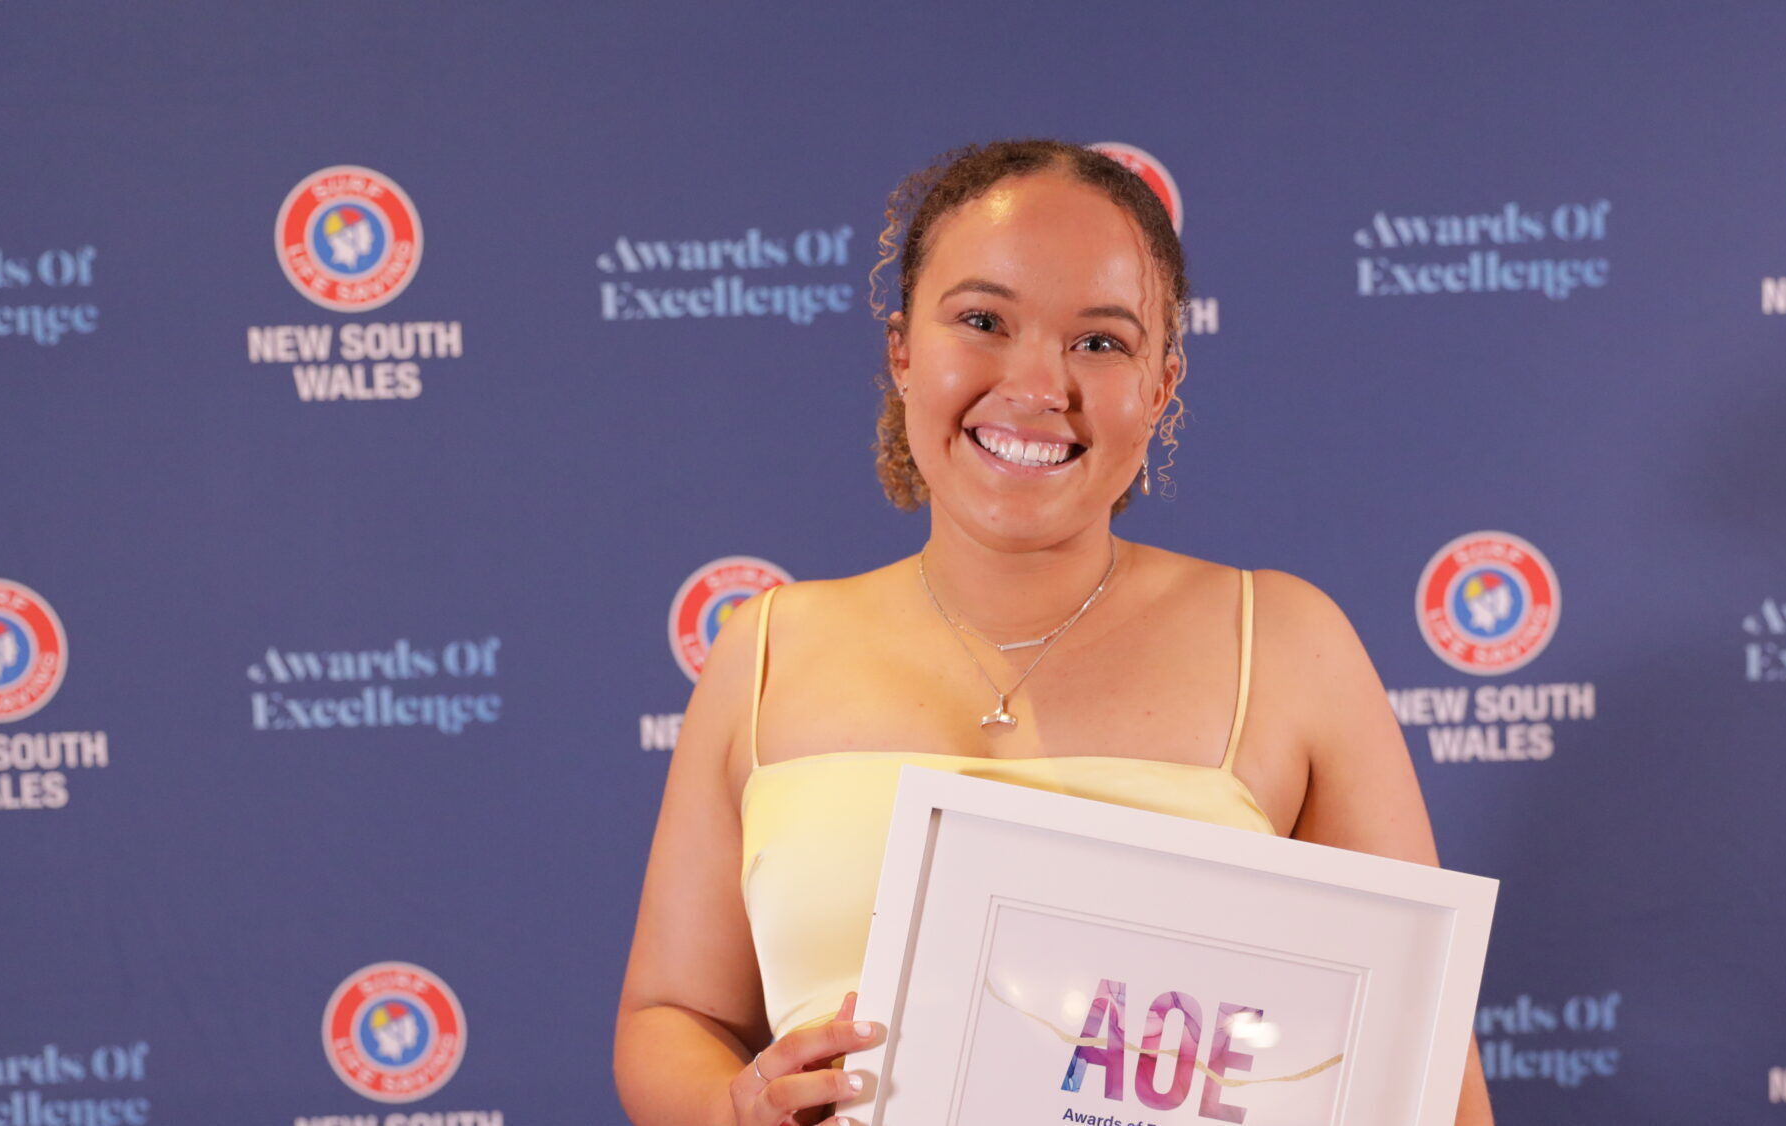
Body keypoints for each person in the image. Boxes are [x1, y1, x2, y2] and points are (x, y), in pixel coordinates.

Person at [612, 139, 1496, 1126]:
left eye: (1100, 342)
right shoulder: (764, 651)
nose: (1039, 386)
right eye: (983, 321)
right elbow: (670, 1013)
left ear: (1161, 387)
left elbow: (1431, 1078)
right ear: (902, 352)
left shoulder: (1287, 644)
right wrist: (733, 1109)